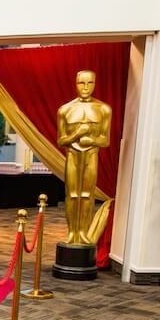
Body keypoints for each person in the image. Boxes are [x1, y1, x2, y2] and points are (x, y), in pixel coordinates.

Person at [56, 70, 111, 245]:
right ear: (76, 83)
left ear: (95, 83)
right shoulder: (65, 109)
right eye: (81, 83)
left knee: (87, 195)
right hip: (72, 155)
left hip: (91, 155)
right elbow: (61, 140)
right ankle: (72, 232)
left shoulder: (103, 109)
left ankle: (83, 232)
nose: (85, 87)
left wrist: (92, 139)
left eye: (90, 83)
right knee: (72, 195)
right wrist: (76, 135)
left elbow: (105, 140)